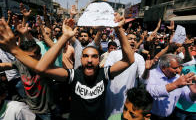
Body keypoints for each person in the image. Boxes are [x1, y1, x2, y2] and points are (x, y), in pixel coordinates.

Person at [0, 17, 134, 120]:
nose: (89, 60)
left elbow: (129, 60)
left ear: (99, 60)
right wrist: (64, 37)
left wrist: (119, 29)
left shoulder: (104, 73)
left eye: (94, 57)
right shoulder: (73, 75)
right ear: (80, 59)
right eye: (85, 56)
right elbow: (41, 68)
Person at [104, 32, 146, 118]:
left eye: (135, 39)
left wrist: (147, 70)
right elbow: (106, 71)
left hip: (129, 95)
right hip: (112, 93)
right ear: (124, 41)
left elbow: (142, 79)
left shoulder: (139, 57)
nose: (133, 41)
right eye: (130, 38)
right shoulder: (114, 54)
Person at [146, 54, 196, 120]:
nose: (178, 71)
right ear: (163, 68)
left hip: (170, 117)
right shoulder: (151, 74)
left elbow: (188, 98)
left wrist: (193, 92)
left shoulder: (177, 78)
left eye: (179, 67)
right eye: (175, 68)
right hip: (151, 116)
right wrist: (175, 85)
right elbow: (151, 92)